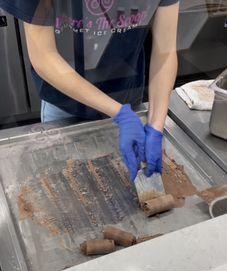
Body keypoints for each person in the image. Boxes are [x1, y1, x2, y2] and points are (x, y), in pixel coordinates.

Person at [0, 0, 179, 180]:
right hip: (66, 105)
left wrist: (156, 126)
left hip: (126, 97)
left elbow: (165, 51)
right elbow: (43, 57)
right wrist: (120, 114)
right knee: (65, 180)